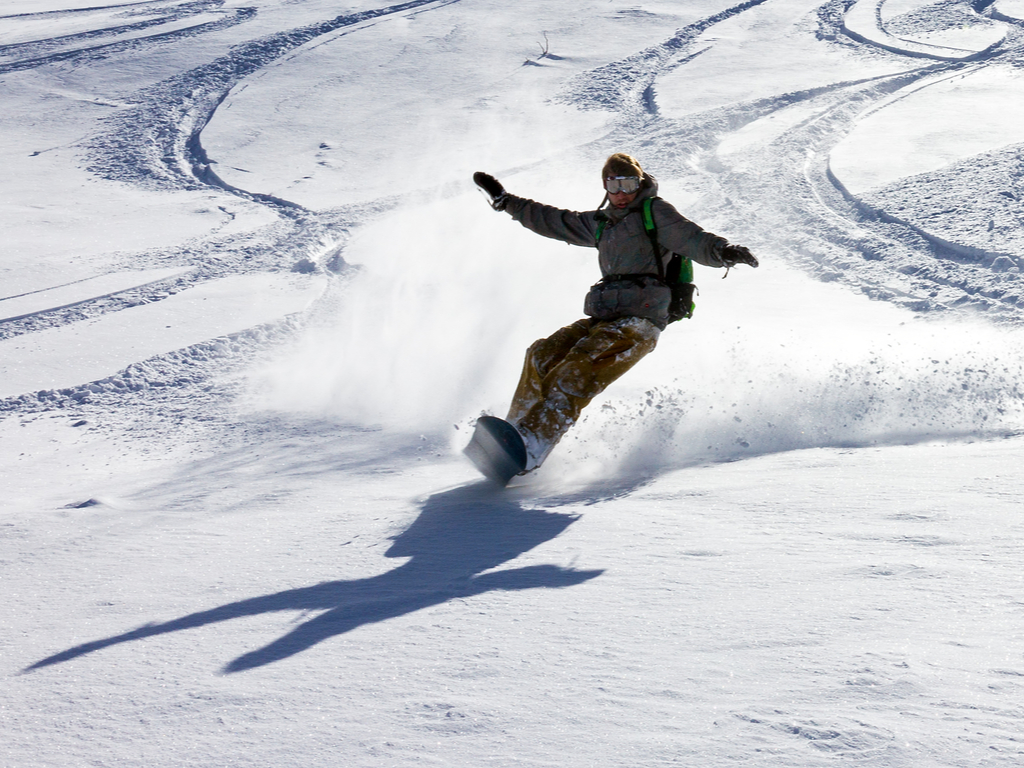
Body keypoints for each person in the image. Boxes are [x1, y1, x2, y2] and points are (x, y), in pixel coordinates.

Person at [472, 153, 757, 473]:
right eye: (614, 185)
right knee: (542, 353)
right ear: (605, 186)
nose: (622, 193)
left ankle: (535, 441)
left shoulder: (655, 212)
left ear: (640, 183)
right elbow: (553, 220)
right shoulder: (601, 224)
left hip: (641, 322)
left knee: (579, 364)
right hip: (605, 317)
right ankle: (516, 431)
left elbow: (689, 236)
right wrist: (505, 201)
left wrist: (723, 251)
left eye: (629, 184)